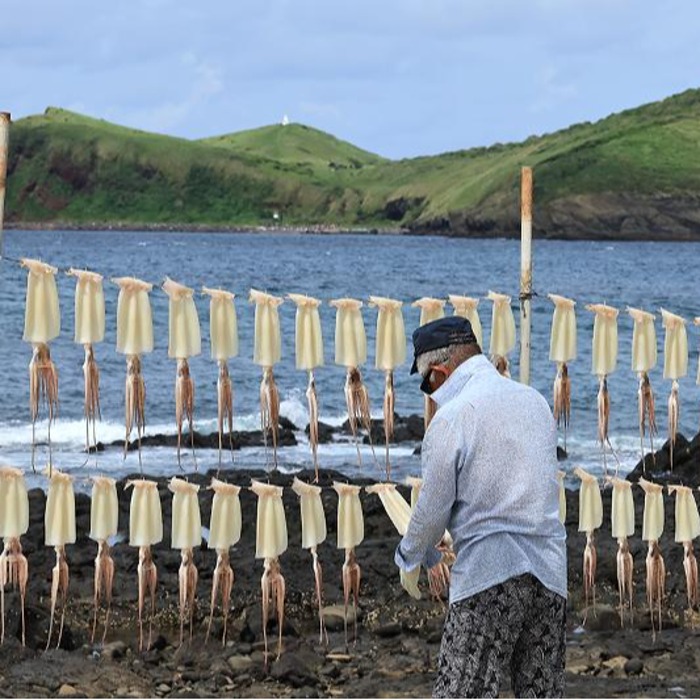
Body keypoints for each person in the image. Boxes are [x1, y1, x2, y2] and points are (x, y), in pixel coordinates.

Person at [395, 316, 567, 698]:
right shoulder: (535, 403)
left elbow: (432, 511)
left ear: (440, 373)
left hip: (489, 578)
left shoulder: (453, 417)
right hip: (550, 575)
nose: (428, 393)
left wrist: (410, 556)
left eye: (425, 383)